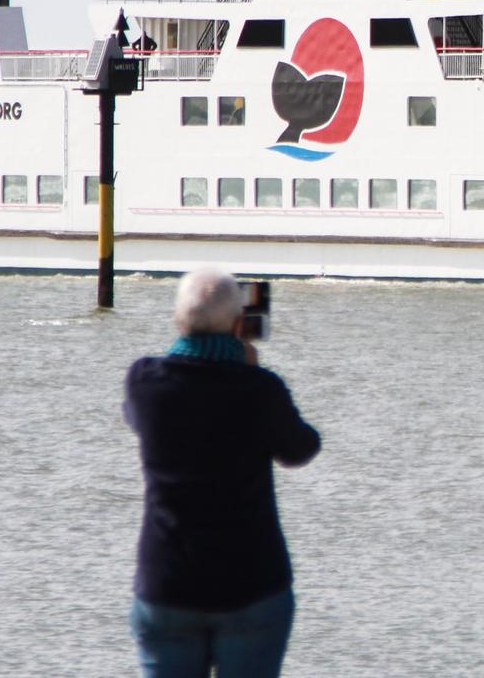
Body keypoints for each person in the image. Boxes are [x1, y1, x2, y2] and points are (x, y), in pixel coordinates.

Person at [124, 269, 321, 677]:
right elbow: (301, 449)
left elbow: (139, 417)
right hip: (251, 584)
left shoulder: (143, 382)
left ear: (178, 321)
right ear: (238, 324)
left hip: (167, 584)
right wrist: (250, 370)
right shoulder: (260, 390)